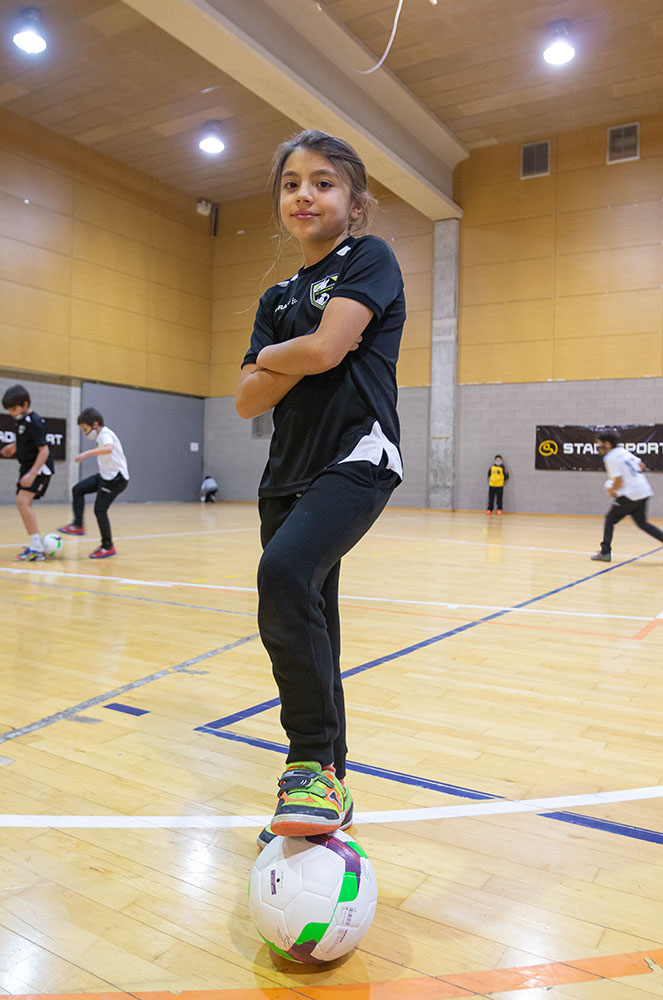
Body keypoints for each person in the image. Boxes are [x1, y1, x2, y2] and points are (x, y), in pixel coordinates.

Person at [235, 129, 405, 848]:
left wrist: (275, 359)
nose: (304, 194)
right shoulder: (275, 296)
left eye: (323, 182)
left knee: (281, 574)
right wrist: (286, 354)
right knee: (315, 622)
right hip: (284, 478)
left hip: (355, 457)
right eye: (291, 183)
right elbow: (245, 400)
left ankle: (305, 759)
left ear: (355, 203)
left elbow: (329, 347)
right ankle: (329, 781)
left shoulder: (369, 258)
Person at [59, 407, 129, 559]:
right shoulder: (101, 436)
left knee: (100, 510)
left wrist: (86, 453)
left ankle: (107, 546)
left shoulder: (105, 434)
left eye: (85, 429)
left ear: (95, 424)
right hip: (105, 476)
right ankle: (78, 525)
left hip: (116, 480)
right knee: (78, 489)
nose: (85, 433)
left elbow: (109, 448)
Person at [591, 430, 663, 562]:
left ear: (607, 444)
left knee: (610, 519)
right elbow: (641, 465)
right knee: (642, 523)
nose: (597, 447)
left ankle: (605, 553)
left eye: (599, 444)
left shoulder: (610, 458)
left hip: (631, 494)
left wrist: (611, 490)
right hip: (644, 490)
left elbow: (619, 481)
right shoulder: (623, 452)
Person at [1, 384, 54, 561]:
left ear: (25, 404)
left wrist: (32, 474)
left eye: (14, 409)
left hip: (39, 468)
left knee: (22, 502)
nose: (12, 413)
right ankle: (35, 543)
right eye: (9, 410)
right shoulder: (22, 421)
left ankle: (37, 548)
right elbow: (26, 441)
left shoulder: (35, 421)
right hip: (27, 467)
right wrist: (13, 447)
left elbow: (44, 450)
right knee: (24, 504)